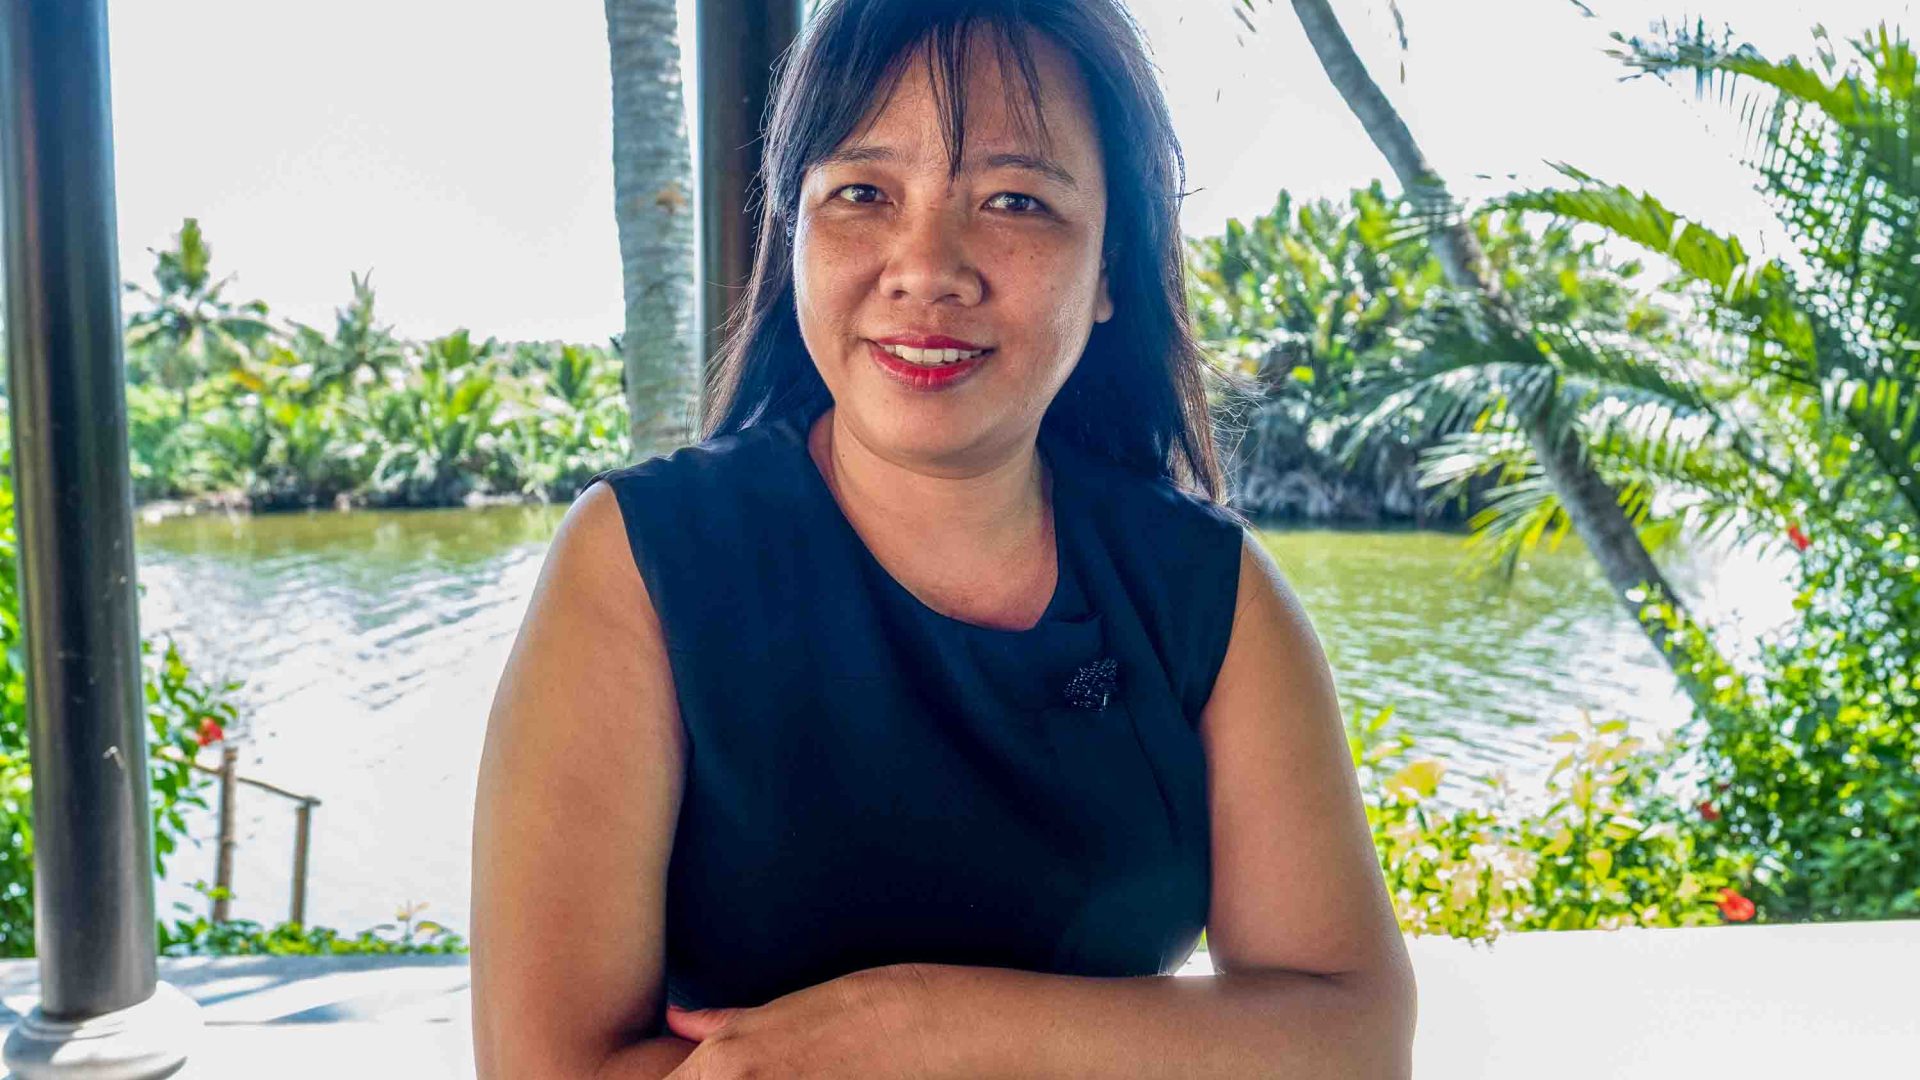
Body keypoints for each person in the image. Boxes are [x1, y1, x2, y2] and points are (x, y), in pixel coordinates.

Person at [471, 0, 1416, 1075]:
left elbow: (1354, 1033)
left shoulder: (1204, 591)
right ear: (796, 239)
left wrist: (918, 1025)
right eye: (863, 194)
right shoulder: (644, 559)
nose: (927, 268)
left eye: (1016, 199)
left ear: (1111, 269)